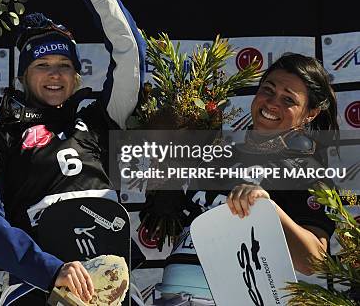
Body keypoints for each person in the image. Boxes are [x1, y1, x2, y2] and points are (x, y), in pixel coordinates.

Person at [0, 0, 146, 305]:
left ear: (76, 74)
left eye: (64, 66)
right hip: (38, 286)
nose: (54, 75)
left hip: (110, 287)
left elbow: (130, 54)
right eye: (42, 66)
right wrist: (49, 269)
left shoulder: (100, 120)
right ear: (23, 76)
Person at [142, 53, 338, 305]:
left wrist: (269, 209)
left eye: (288, 99)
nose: (272, 103)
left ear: (309, 114)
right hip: (171, 296)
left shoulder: (307, 170)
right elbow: (165, 226)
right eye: (268, 90)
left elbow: (314, 262)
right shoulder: (216, 153)